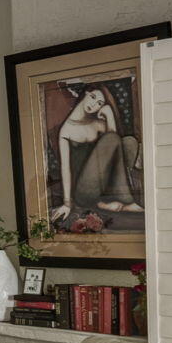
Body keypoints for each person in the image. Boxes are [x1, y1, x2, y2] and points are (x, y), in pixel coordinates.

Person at [52, 83, 143, 233]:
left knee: (115, 140)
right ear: (85, 94)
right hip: (82, 191)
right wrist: (67, 203)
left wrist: (109, 113)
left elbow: (115, 148)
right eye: (93, 97)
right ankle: (106, 203)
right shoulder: (65, 130)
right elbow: (65, 168)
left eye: (99, 103)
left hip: (100, 186)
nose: (94, 105)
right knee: (111, 139)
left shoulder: (96, 124)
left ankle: (120, 202)